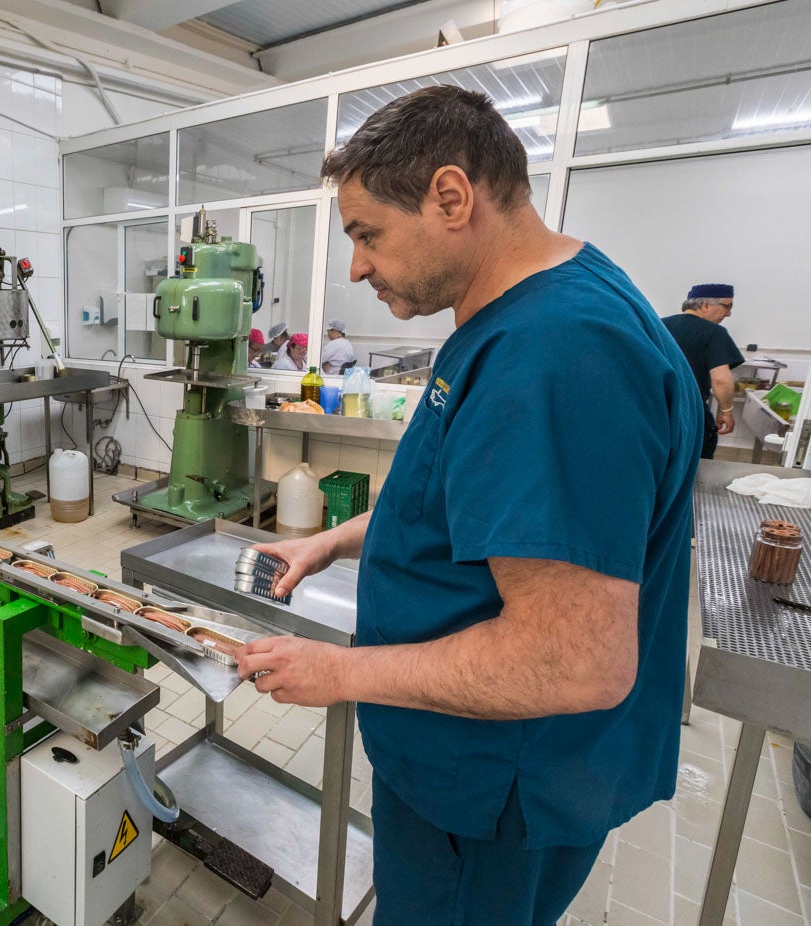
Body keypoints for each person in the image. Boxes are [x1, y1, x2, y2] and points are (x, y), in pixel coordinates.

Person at [236, 85, 701, 924]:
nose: (356, 267)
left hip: (490, 793)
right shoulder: (519, 314)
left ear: (451, 197)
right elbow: (472, 508)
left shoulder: (554, 355)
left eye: (366, 233)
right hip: (466, 771)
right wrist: (336, 540)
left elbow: (572, 659)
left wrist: (336, 672)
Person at [661, 284, 744, 459]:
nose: (729, 313)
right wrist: (726, 410)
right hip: (690, 414)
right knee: (695, 466)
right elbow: (721, 379)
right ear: (705, 305)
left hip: (655, 412)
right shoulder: (714, 333)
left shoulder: (658, 326)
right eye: (727, 306)